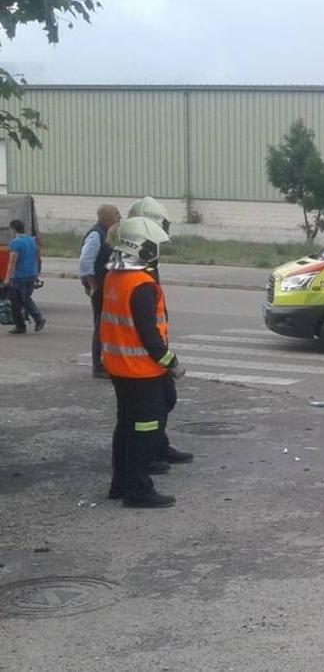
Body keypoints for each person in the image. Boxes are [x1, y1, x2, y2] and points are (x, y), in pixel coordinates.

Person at [101, 216, 187, 508]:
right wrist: (171, 362)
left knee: (126, 426)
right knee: (146, 428)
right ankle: (137, 489)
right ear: (144, 247)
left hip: (119, 367)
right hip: (142, 371)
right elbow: (149, 336)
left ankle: (121, 483)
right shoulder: (141, 284)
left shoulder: (114, 276)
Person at [125, 195, 192, 471]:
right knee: (145, 413)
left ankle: (157, 447)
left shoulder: (145, 261)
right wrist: (167, 359)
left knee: (164, 400)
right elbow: (139, 320)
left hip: (150, 350)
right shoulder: (131, 264)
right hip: (139, 356)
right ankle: (145, 457)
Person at [78, 204, 122, 377]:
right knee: (101, 326)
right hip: (100, 287)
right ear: (105, 217)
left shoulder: (109, 233)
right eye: (116, 214)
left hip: (108, 286)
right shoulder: (96, 234)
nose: (119, 217)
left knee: (107, 325)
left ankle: (107, 362)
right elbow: (85, 261)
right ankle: (98, 366)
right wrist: (93, 286)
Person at [3, 219, 45, 335]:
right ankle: (20, 326)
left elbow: (12, 261)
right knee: (16, 300)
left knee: (23, 299)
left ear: (13, 229)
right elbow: (36, 257)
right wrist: (36, 273)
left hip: (19, 276)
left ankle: (38, 318)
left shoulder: (15, 242)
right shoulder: (32, 241)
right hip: (31, 274)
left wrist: (7, 278)